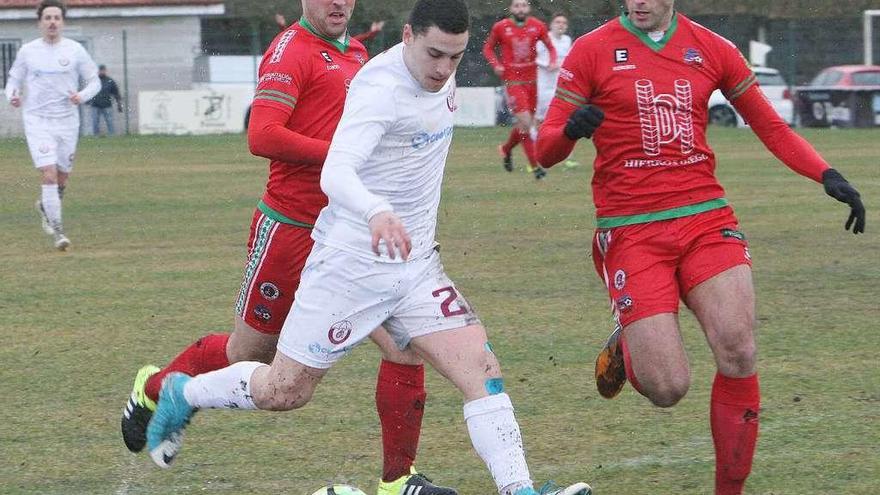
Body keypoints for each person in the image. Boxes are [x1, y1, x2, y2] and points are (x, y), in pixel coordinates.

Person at [145, 2, 592, 495]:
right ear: (407, 37)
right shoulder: (379, 88)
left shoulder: (437, 77)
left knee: (482, 371)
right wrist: (377, 211)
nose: (443, 69)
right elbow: (336, 170)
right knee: (284, 390)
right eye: (435, 55)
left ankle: (519, 490)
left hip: (416, 268)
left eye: (456, 57)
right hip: (348, 266)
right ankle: (183, 391)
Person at [120, 1, 456, 493]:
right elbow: (263, 134)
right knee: (248, 354)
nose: (339, 2)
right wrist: (342, 156)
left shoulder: (358, 54)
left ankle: (397, 480)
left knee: (405, 346)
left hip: (348, 234)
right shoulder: (290, 51)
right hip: (290, 231)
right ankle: (153, 389)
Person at [536, 1, 866, 494]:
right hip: (631, 230)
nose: (638, 2)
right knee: (668, 389)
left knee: (738, 348)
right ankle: (630, 341)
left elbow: (770, 126)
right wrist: (569, 132)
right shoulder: (591, 51)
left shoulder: (713, 48)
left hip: (705, 220)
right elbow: (543, 150)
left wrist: (826, 174)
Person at [4, 0, 100, 251]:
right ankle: (58, 232)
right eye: (47, 18)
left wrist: (81, 96)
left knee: (62, 178)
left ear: (63, 22)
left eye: (57, 17)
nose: (52, 22)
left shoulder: (76, 50)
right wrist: (12, 95)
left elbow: (94, 83)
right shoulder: (28, 51)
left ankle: (46, 206)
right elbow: (13, 80)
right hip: (37, 120)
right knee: (48, 174)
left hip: (67, 121)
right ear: (40, 22)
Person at [482, 0, 556, 180]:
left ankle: (506, 149)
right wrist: (496, 64)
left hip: (532, 81)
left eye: (523, 5)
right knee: (526, 122)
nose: (520, 9)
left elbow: (551, 47)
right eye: (517, 6)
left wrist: (553, 60)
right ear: (511, 8)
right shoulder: (501, 27)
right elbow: (488, 48)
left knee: (525, 125)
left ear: (528, 8)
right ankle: (535, 167)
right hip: (513, 81)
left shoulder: (537, 26)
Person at [534, 13, 578, 169]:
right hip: (543, 84)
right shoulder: (544, 39)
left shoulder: (567, 41)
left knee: (562, 120)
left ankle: (568, 156)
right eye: (558, 22)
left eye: (564, 22)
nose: (561, 25)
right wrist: (548, 64)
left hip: (559, 86)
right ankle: (536, 155)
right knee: (539, 120)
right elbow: (535, 58)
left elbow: (570, 59)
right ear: (551, 24)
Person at [87, 64, 122, 136]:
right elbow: (89, 91)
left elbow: (116, 92)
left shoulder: (110, 81)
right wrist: (87, 100)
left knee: (109, 121)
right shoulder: (94, 81)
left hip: (107, 105)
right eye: (100, 70)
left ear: (105, 71)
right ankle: (96, 135)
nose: (101, 72)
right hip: (95, 105)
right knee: (95, 121)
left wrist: (119, 104)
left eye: (103, 70)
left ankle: (111, 135)